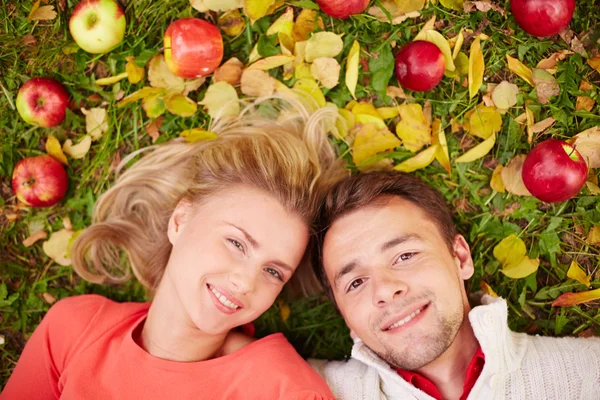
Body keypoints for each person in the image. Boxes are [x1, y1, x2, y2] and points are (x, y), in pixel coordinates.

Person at [2, 94, 345, 400]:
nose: (246, 282)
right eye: (236, 243)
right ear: (180, 220)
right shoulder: (74, 329)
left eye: (272, 271)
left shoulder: (283, 390)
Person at [309, 171, 600, 400]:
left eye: (404, 256)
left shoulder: (589, 373)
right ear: (344, 316)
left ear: (460, 258)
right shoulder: (309, 390)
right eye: (356, 282)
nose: (384, 290)